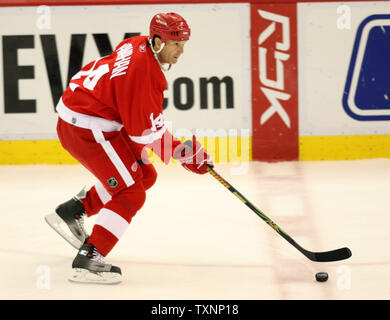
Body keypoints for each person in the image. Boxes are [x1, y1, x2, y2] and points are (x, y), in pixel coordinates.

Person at [45, 12, 213, 284]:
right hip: (87, 129)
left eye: (183, 43)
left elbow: (137, 122)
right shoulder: (144, 74)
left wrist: (179, 151)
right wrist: (186, 155)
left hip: (89, 116)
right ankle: (89, 260)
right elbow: (144, 131)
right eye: (175, 44)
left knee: (145, 175)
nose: (181, 51)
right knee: (131, 192)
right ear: (157, 41)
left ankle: (74, 210)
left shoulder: (137, 43)